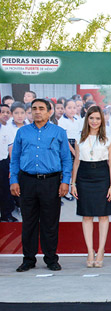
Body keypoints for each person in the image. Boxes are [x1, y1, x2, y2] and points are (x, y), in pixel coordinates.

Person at [10, 99, 72, 272]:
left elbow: (66, 159)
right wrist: (13, 180)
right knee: (28, 222)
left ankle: (51, 259)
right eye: (34, 108)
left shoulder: (58, 132)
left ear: (49, 112)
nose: (37, 112)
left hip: (51, 182)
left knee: (49, 222)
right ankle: (28, 259)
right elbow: (14, 158)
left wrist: (65, 181)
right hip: (27, 181)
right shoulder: (22, 132)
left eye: (41, 109)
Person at [70, 106, 111, 268]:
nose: (95, 121)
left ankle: (101, 250)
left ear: (102, 120)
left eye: (97, 118)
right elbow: (76, 162)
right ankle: (90, 251)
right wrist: (73, 183)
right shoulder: (79, 138)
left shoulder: (109, 139)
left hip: (102, 176)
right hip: (83, 176)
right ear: (87, 119)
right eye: (92, 118)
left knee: (103, 216)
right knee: (87, 216)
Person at [1, 111, 17, 222]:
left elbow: (10, 148)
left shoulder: (6, 129)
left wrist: (12, 166)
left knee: (5, 189)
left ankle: (6, 214)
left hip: (3, 163)